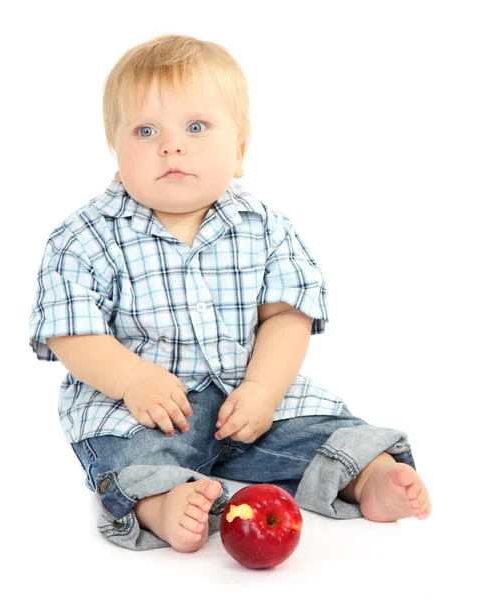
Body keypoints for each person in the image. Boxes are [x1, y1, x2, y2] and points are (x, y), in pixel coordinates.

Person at [29, 34, 431, 553]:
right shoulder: (84, 237)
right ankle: (162, 503)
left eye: (196, 127)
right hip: (146, 407)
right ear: (115, 152)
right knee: (133, 453)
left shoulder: (264, 226)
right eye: (146, 130)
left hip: (251, 397)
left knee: (317, 428)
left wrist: (264, 391)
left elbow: (287, 316)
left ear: (239, 151)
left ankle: (368, 478)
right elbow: (70, 331)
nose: (171, 145)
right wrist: (132, 379)